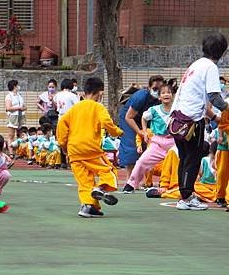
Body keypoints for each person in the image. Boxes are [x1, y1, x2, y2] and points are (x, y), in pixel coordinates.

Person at [171, 33, 229, 210]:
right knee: (193, 157)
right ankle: (187, 198)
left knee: (185, 157)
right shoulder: (210, 67)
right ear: (222, 52)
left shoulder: (196, 65)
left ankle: (185, 194)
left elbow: (200, 99)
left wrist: (215, 118)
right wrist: (227, 108)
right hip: (192, 121)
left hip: (178, 118)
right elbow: (215, 98)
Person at [57, 77, 123, 218]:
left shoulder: (73, 109)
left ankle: (88, 207)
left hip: (74, 151)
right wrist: (117, 132)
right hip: (91, 150)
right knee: (109, 171)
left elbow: (61, 126)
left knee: (85, 181)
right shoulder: (98, 107)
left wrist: (63, 146)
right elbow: (106, 122)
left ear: (85, 91)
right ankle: (100, 188)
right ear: (99, 92)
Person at [123, 83, 174, 193]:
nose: (166, 95)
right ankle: (131, 184)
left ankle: (179, 187)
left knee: (181, 164)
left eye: (169, 92)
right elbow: (144, 118)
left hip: (174, 143)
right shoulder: (153, 110)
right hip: (157, 143)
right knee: (142, 161)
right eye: (163, 93)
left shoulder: (177, 109)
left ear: (173, 96)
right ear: (159, 97)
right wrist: (145, 131)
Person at [118, 75, 165, 178]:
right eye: (155, 89)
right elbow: (129, 117)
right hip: (130, 118)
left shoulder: (163, 97)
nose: (157, 91)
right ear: (149, 88)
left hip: (146, 119)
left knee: (149, 145)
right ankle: (130, 178)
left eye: (160, 89)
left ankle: (146, 178)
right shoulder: (141, 96)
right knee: (132, 145)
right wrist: (139, 131)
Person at [5, 79, 26, 153]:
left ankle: (19, 151)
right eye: (17, 85)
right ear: (14, 86)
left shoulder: (20, 95)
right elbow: (8, 108)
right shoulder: (9, 96)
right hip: (13, 116)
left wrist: (23, 108)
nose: (18, 87)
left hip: (21, 116)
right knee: (11, 135)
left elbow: (23, 106)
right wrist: (19, 108)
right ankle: (11, 152)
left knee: (20, 134)